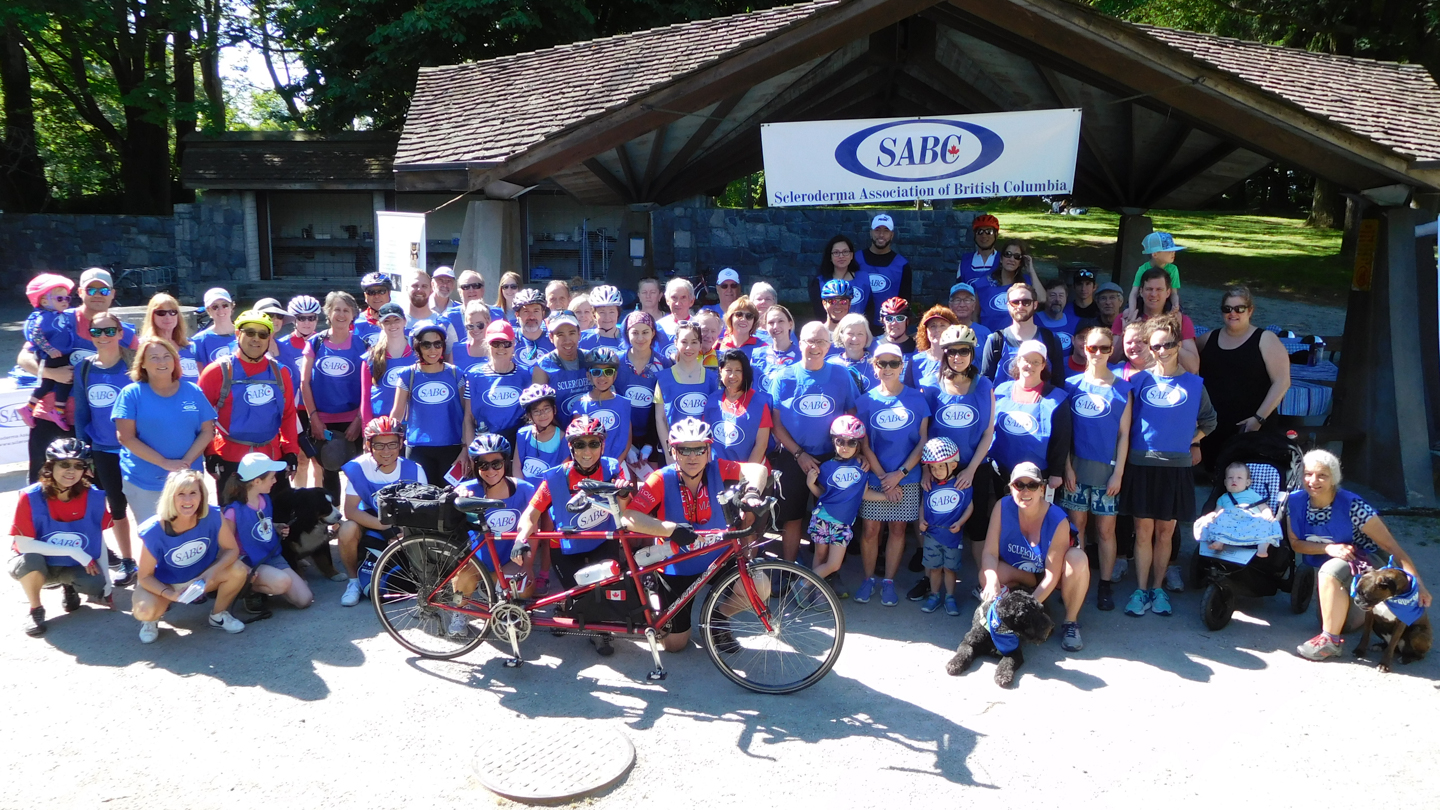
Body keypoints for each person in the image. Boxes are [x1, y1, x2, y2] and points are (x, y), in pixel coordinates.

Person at [624, 417, 770, 652]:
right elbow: (629, 517)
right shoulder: (661, 478)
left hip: (717, 557)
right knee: (674, 645)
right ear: (673, 451)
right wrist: (669, 529)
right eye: (684, 450)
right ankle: (655, 595)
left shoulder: (718, 469)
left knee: (760, 585)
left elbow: (757, 469)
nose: (692, 456)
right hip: (677, 565)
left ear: (708, 450)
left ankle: (718, 618)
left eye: (699, 449)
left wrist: (752, 493)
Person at [1286, 449, 1431, 661]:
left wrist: (1418, 584)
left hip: (1368, 562)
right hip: (1336, 561)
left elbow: (1393, 547)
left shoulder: (1353, 505)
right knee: (1343, 623)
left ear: (1334, 478)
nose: (1313, 481)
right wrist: (1328, 549)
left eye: (1322, 475)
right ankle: (1365, 608)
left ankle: (1330, 642)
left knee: (1330, 571)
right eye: (1308, 474)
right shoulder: (1295, 502)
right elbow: (1296, 544)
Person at [1119, 315, 1216, 618]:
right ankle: (1140, 589)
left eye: (1169, 344)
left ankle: (1157, 588)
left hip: (1177, 468)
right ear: (1149, 346)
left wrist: (1191, 439)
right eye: (1157, 345)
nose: (1163, 351)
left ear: (1178, 344)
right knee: (1142, 531)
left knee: (1165, 533)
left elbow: (1210, 421)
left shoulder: (1195, 384)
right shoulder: (1136, 381)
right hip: (1141, 464)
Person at [17, 268, 139, 483]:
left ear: (113, 294)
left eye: (104, 289)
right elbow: (23, 357)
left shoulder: (121, 331)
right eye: (91, 289)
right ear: (80, 292)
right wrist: (51, 373)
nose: (98, 294)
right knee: (43, 483)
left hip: (97, 422)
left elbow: (139, 371)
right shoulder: (58, 319)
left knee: (95, 488)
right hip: (52, 416)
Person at [915, 325, 996, 601]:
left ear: (972, 354)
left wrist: (972, 470)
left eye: (964, 351)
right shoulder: (931, 385)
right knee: (933, 522)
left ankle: (984, 583)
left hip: (973, 466)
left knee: (975, 526)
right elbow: (924, 431)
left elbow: (988, 432)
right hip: (937, 468)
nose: (958, 357)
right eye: (952, 351)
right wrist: (926, 468)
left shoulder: (984, 385)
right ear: (944, 354)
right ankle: (930, 581)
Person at [767, 322, 858, 563]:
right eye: (809, 340)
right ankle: (788, 569)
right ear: (799, 343)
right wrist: (799, 454)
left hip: (833, 457)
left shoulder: (841, 375)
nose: (814, 346)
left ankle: (826, 573)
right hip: (793, 456)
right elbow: (775, 423)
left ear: (829, 346)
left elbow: (851, 414)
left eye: (820, 341)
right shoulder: (784, 376)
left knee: (831, 516)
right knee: (793, 516)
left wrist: (855, 454)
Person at [980, 462, 1091, 652]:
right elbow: (989, 553)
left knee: (1078, 559)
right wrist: (991, 582)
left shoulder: (1058, 519)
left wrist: (1027, 608)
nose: (1025, 491)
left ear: (1042, 489)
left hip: (1052, 577)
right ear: (1011, 488)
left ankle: (1070, 622)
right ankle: (1002, 606)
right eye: (1019, 485)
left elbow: (1051, 576)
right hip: (1023, 573)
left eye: (1032, 485)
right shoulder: (1002, 507)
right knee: (986, 575)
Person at [515, 416, 630, 595]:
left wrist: (623, 495)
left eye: (593, 444)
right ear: (571, 448)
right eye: (579, 445)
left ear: (602, 446)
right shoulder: (556, 478)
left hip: (602, 541)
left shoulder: (613, 469)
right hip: (566, 548)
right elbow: (531, 514)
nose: (587, 452)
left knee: (608, 596)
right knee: (579, 600)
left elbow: (623, 512)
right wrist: (520, 539)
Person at [10, 439, 114, 636]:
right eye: (64, 464)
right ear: (50, 467)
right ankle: (35, 609)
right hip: (39, 562)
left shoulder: (93, 496)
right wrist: (73, 551)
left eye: (78, 466)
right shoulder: (29, 497)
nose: (71, 471)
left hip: (71, 563)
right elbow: (23, 544)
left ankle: (70, 587)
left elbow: (97, 539)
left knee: (96, 584)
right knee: (30, 560)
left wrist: (107, 582)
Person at [1061, 326, 1133, 612]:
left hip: (1107, 472)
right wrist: (1066, 466)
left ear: (1112, 349)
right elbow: (1064, 433)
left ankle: (1104, 583)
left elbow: (1124, 434)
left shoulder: (1123, 388)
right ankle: (1076, 580)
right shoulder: (1071, 385)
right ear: (1083, 348)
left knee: (1105, 531)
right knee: (1076, 529)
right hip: (1077, 470)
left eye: (1105, 348)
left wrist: (1119, 473)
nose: (1098, 353)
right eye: (1093, 348)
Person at [853, 343, 930, 607]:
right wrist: (884, 476)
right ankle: (867, 579)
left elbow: (922, 441)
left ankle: (888, 582)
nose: (887, 368)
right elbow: (863, 444)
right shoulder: (865, 402)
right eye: (881, 363)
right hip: (876, 475)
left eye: (893, 363)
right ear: (874, 367)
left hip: (906, 477)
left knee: (898, 530)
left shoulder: (917, 399)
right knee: (871, 530)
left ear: (902, 366)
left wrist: (900, 474)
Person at [132, 469, 250, 642]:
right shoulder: (154, 530)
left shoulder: (214, 516)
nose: (188, 500)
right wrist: (168, 594)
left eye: (193, 493)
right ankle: (151, 621)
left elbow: (232, 550)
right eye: (181, 494)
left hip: (201, 578)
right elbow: (144, 576)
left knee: (239, 570)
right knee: (144, 611)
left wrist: (212, 572)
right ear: (170, 497)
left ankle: (218, 615)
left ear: (201, 495)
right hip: (165, 582)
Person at [114, 336, 218, 525]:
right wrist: (165, 463)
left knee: (189, 535)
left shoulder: (193, 391)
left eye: (166, 356)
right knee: (154, 538)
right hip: (146, 482)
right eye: (154, 357)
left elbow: (207, 430)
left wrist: (185, 462)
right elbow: (125, 437)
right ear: (142, 363)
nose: (161, 362)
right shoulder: (131, 394)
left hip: (188, 482)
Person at [198, 310, 300, 496]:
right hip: (230, 458)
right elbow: (202, 418)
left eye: (262, 334)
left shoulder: (280, 373)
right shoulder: (216, 372)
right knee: (234, 521)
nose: (256, 339)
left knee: (278, 521)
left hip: (272, 458)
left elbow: (288, 415)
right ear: (238, 334)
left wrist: (291, 450)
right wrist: (210, 453)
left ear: (269, 338)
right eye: (250, 332)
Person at [71, 311, 137, 584]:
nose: (103, 337)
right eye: (97, 331)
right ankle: (128, 560)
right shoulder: (84, 367)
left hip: (138, 450)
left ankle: (162, 559)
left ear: (121, 333)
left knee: (154, 507)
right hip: (102, 449)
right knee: (117, 508)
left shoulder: (134, 364)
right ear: (89, 334)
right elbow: (82, 411)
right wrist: (82, 450)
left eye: (109, 331)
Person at [1196, 286, 1291, 470]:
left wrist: (1258, 419)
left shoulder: (1266, 339)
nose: (1233, 313)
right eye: (1227, 309)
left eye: (1239, 308)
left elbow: (1282, 382)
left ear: (1250, 310)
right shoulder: (1208, 338)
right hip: (1214, 430)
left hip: (1251, 429)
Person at [336, 417, 426, 607]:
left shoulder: (415, 470)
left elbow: (422, 512)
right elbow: (350, 510)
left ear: (401, 443)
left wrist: (404, 531)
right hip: (370, 522)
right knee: (346, 529)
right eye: (379, 445)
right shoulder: (358, 467)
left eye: (392, 444)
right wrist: (385, 527)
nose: (386, 451)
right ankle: (353, 582)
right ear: (369, 445)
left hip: (403, 526)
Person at [449, 435, 538, 621]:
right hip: (478, 562)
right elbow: (454, 494)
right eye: (483, 465)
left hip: (511, 560)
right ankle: (460, 612)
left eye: (496, 464)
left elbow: (534, 532)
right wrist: (457, 494)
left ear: (505, 463)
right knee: (462, 581)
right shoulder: (468, 489)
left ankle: (495, 591)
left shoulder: (525, 489)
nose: (490, 470)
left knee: (524, 589)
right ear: (475, 466)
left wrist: (528, 565)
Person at [220, 453, 312, 608]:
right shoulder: (233, 511)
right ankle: (244, 588)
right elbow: (224, 547)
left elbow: (261, 524)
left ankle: (264, 583)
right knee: (282, 582)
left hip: (271, 556)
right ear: (256, 481)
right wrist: (241, 569)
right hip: (248, 561)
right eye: (271, 477)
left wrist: (276, 527)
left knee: (304, 599)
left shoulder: (265, 499)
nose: (275, 481)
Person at [301, 292, 367, 502]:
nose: (341, 314)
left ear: (353, 315)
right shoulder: (315, 343)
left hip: (352, 421)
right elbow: (304, 383)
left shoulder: (362, 345)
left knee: (357, 471)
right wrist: (314, 419)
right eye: (336, 309)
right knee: (329, 471)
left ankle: (357, 520)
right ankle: (334, 521)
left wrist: (359, 420)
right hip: (324, 423)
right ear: (328, 313)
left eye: (346, 310)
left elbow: (369, 387)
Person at [801, 416, 873, 600]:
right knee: (820, 555)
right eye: (840, 441)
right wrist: (810, 484)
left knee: (833, 564)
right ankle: (815, 593)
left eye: (851, 442)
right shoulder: (826, 467)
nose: (845, 446)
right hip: (823, 518)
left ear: (858, 444)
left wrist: (889, 497)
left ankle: (802, 584)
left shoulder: (862, 467)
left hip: (843, 523)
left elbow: (864, 494)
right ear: (833, 440)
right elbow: (823, 494)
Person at [390, 324, 469, 485]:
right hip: (418, 448)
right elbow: (396, 414)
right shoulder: (408, 375)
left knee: (451, 502)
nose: (433, 350)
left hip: (452, 447)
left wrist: (466, 448)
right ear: (418, 346)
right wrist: (387, 443)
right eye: (426, 345)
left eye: (437, 344)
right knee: (422, 503)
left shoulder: (456, 373)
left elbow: (467, 414)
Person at [991, 339, 1071, 491]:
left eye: (1036, 362)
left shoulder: (1056, 398)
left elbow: (1062, 439)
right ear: (1018, 361)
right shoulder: (1001, 391)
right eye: (1026, 360)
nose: (1030, 365)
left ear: (1043, 365)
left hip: (1037, 475)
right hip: (1001, 470)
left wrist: (1056, 472)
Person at [916, 437, 975, 616]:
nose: (937, 471)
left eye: (941, 466)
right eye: (933, 467)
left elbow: (970, 506)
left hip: (952, 536)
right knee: (934, 568)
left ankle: (950, 596)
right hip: (932, 534)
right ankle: (934, 595)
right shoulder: (929, 485)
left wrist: (961, 522)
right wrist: (921, 521)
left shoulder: (961, 485)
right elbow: (922, 505)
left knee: (950, 568)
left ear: (954, 465)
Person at [655, 322, 720, 464]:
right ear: (675, 343)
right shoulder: (664, 378)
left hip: (703, 452)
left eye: (694, 342)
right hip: (676, 450)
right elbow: (660, 418)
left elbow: (716, 418)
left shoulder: (712, 378)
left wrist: (709, 451)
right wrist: (668, 452)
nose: (689, 348)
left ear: (700, 344)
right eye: (684, 342)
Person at [1112, 268, 1199, 374]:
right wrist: (1124, 334)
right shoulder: (1125, 318)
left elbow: (1193, 368)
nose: (1153, 294)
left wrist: (1174, 337)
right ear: (1141, 291)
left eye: (1159, 289)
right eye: (1149, 289)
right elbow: (1111, 360)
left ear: (1168, 292)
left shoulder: (1181, 320)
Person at [979, 283, 1066, 383]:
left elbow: (1058, 381)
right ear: (1008, 306)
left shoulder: (1050, 338)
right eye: (1015, 302)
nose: (1020, 307)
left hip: (1041, 398)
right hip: (1003, 398)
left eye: (1026, 302)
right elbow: (985, 383)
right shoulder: (995, 340)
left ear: (1035, 305)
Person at [465, 321, 532, 447]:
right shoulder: (474, 376)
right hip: (485, 443)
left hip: (517, 442)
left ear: (513, 345)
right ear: (487, 344)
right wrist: (469, 449)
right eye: (495, 343)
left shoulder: (526, 375)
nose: (501, 348)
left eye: (506, 344)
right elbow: (468, 417)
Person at [1193, 463, 1281, 558]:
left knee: (1267, 524)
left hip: (1250, 520)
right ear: (1225, 482)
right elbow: (1217, 511)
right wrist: (1211, 515)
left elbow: (1263, 507)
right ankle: (1220, 541)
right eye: (1230, 478)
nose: (1234, 480)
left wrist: (1267, 514)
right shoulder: (1223, 498)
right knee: (1219, 519)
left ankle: (1262, 547)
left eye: (1239, 478)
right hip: (1231, 521)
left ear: (1247, 483)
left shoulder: (1252, 494)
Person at [23, 272, 76, 427]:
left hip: (60, 353)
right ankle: (59, 411)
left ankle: (29, 407)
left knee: (47, 383)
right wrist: (49, 349)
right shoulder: (43, 317)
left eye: (67, 298)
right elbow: (36, 335)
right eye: (60, 298)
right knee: (65, 380)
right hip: (54, 355)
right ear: (45, 301)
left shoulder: (59, 315)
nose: (65, 301)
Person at [705, 349, 772, 464]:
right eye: (728, 370)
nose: (732, 375)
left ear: (745, 373)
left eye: (738, 370)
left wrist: (747, 476)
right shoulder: (712, 400)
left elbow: (761, 445)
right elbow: (706, 442)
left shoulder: (759, 403)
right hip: (716, 472)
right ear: (720, 371)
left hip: (748, 473)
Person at [566, 347, 632, 463]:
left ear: (615, 375)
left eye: (608, 372)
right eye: (596, 372)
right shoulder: (580, 405)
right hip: (589, 466)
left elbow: (627, 439)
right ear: (588, 376)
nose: (602, 377)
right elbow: (577, 441)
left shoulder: (624, 403)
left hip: (617, 464)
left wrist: (616, 464)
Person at [617, 312, 668, 457]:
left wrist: (650, 443)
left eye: (645, 332)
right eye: (635, 332)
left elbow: (661, 408)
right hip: (622, 437)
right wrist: (627, 445)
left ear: (653, 333)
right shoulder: (616, 362)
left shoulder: (663, 364)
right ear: (627, 333)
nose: (640, 338)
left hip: (651, 436)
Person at [358, 303, 414, 426]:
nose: (392, 325)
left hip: (412, 424)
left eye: (396, 320)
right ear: (380, 324)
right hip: (381, 425)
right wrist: (366, 431)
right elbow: (365, 399)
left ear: (404, 321)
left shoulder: (418, 354)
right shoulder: (370, 358)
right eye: (387, 321)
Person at [973, 240, 1045, 331]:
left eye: (1017, 257)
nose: (1012, 259)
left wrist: (1031, 270)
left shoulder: (1026, 283)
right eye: (1008, 254)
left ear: (1020, 262)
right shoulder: (983, 283)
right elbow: (975, 315)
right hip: (989, 338)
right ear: (1001, 259)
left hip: (1018, 338)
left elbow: (1042, 299)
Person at [855, 213, 911, 327]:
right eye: (877, 230)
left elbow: (905, 303)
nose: (881, 235)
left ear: (892, 235)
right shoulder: (855, 260)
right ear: (871, 232)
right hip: (858, 326)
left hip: (888, 326)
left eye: (886, 231)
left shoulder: (902, 265)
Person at [531, 310, 588, 419]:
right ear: (551, 337)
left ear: (579, 334)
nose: (567, 340)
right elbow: (539, 407)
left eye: (572, 333)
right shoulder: (543, 366)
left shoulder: (591, 359)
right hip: (559, 431)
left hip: (592, 430)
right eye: (560, 334)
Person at [809, 235, 871, 321]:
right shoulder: (819, 283)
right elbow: (820, 315)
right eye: (836, 252)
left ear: (851, 255)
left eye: (845, 252)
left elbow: (870, 311)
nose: (841, 256)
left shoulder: (864, 279)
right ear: (830, 256)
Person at [513, 384, 568, 479]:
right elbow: (516, 468)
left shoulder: (563, 438)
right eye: (536, 411)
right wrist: (523, 490)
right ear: (529, 415)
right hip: (526, 491)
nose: (542, 414)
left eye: (546, 409)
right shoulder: (523, 434)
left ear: (554, 410)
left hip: (549, 492)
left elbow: (563, 474)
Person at [1126, 231, 1184, 316]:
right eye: (1169, 251)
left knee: (1178, 316)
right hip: (1144, 301)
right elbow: (1134, 292)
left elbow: (1174, 292)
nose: (1173, 253)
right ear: (1155, 254)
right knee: (1126, 313)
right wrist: (1132, 311)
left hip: (1166, 300)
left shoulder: (1173, 269)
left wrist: (1175, 304)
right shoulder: (1143, 269)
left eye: (1173, 250)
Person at [906, 306, 959, 390]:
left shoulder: (960, 359)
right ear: (925, 331)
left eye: (942, 325)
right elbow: (908, 393)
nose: (937, 330)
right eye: (932, 326)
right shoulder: (915, 361)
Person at [827, 313, 876, 393]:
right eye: (850, 334)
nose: (855, 339)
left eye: (860, 334)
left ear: (867, 336)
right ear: (841, 335)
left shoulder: (877, 364)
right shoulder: (831, 365)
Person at [754, 305, 799, 391]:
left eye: (781, 321)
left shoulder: (802, 355)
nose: (775, 326)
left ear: (790, 324)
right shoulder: (757, 355)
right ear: (765, 327)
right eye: (771, 323)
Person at [191, 288, 238, 368]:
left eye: (225, 305)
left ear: (232, 306)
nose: (220, 310)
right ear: (208, 311)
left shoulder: (246, 334)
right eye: (215, 307)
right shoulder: (198, 341)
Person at [511, 288, 554, 372]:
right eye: (526, 311)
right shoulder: (508, 339)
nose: (531, 316)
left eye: (536, 311)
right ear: (517, 315)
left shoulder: (553, 340)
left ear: (543, 314)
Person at [946, 283, 994, 356]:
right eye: (957, 300)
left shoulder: (984, 333)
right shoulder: (944, 332)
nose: (962, 305)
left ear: (974, 305)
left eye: (967, 300)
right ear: (950, 305)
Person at [716, 296, 766, 365]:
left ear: (754, 321)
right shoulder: (718, 345)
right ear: (730, 318)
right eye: (739, 314)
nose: (743, 319)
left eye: (749, 316)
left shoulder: (762, 347)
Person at [402, 269, 449, 340]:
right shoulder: (397, 322)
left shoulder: (442, 323)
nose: (419, 290)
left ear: (431, 289)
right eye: (415, 285)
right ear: (406, 288)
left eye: (424, 286)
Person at [1035, 281, 1081, 352]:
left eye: (1061, 295)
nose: (1057, 299)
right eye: (1052, 295)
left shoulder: (1076, 323)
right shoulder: (1033, 321)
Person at [451, 300, 493, 376]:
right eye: (470, 326)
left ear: (488, 322)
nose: (475, 329)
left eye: (480, 325)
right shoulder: (456, 350)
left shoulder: (498, 348)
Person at [956, 213, 1000, 284]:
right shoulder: (965, 262)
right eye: (980, 232)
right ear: (974, 235)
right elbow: (959, 290)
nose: (984, 236)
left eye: (989, 232)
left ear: (996, 234)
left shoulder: (1003, 260)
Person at [655, 277, 695, 349]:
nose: (678, 303)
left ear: (691, 301)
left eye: (683, 297)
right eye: (674, 297)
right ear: (667, 300)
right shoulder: (658, 327)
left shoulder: (699, 326)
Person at [582, 285, 625, 349]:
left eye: (611, 312)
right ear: (594, 314)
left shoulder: (628, 339)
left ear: (618, 313)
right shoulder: (582, 338)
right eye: (602, 312)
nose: (607, 317)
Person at [356, 271, 394, 343]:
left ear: (389, 293)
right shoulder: (355, 322)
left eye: (381, 291)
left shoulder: (399, 321)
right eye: (371, 292)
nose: (376, 296)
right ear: (365, 296)